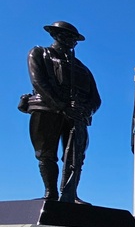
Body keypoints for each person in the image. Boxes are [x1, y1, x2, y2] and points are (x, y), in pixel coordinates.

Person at [25, 21, 102, 204]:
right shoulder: (39, 53)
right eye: (67, 36)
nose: (72, 41)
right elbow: (39, 82)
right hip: (48, 109)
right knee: (46, 153)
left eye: (74, 39)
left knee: (76, 156)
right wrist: (62, 105)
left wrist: (84, 110)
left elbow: (96, 99)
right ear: (55, 35)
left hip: (76, 116)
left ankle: (69, 194)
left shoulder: (82, 68)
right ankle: (50, 192)